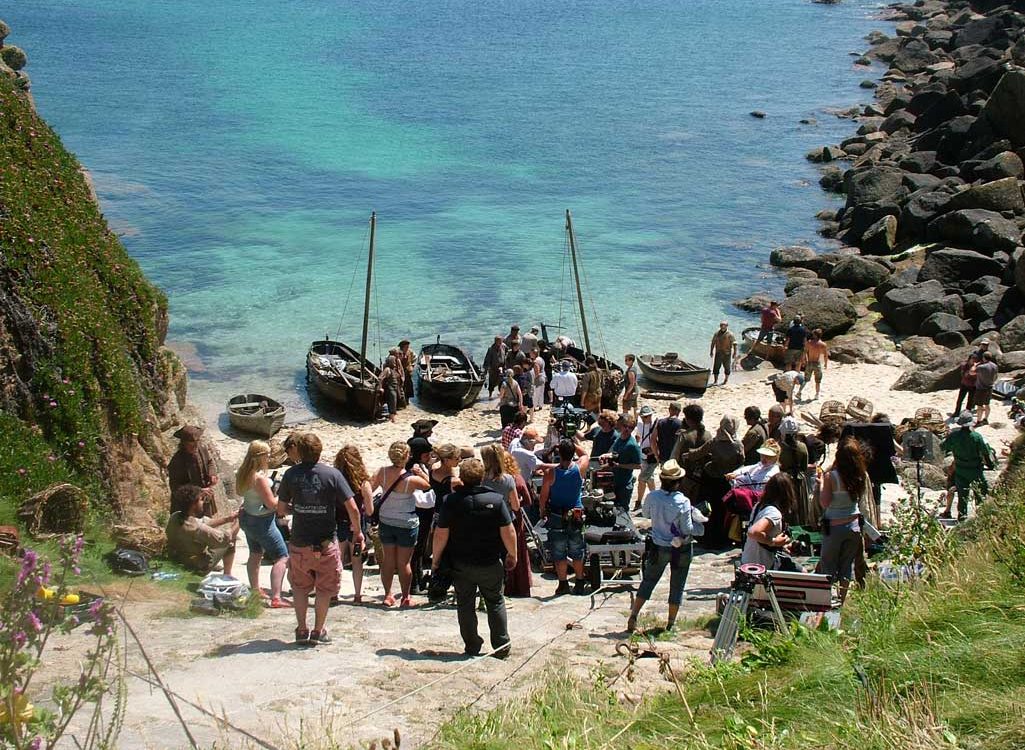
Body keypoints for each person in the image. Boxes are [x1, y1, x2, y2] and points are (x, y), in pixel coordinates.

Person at [277, 432, 363, 645]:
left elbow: (280, 509)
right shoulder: (332, 474)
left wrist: (298, 509)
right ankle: (318, 630)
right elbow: (352, 507)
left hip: (299, 540)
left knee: (299, 587)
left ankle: (301, 628)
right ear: (319, 451)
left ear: (299, 452)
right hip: (326, 541)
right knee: (324, 588)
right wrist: (358, 530)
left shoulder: (290, 474)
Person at [432, 458, 517, 658]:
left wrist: (436, 559)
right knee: (495, 601)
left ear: (461, 477)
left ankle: (472, 645)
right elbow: (508, 531)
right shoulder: (495, 500)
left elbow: (440, 533)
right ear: (481, 477)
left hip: (461, 563)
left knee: (465, 603)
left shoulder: (451, 501)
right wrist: (512, 554)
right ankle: (501, 644)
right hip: (489, 560)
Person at [626, 460, 695, 633]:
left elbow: (647, 514)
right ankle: (671, 623)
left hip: (658, 544)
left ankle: (634, 614)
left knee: (648, 580)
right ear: (678, 482)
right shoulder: (683, 501)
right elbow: (687, 529)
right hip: (680, 547)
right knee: (677, 584)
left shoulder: (652, 497)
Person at [372, 441, 432, 607]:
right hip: (406, 522)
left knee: (388, 560)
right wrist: (420, 472)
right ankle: (405, 597)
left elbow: (368, 487)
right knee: (404, 563)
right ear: (407, 457)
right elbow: (429, 486)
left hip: (386, 520)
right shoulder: (411, 479)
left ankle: (387, 595)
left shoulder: (382, 472)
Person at [235, 441, 290, 608]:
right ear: (260, 457)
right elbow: (273, 504)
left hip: (247, 517)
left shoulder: (243, 473)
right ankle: (276, 596)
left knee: (255, 553)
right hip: (262, 521)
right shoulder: (259, 479)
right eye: (267, 455)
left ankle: (254, 588)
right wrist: (284, 497)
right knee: (282, 557)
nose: (269, 458)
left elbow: (241, 493)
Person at [817, 437, 871, 603]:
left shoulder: (831, 476)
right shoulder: (860, 475)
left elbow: (824, 503)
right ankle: (842, 598)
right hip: (854, 524)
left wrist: (820, 485)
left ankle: (825, 599)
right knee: (846, 565)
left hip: (833, 525)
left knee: (828, 563)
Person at [539, 439, 591, 595]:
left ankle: (563, 583)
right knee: (577, 549)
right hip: (576, 513)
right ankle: (580, 581)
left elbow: (543, 497)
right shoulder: (579, 468)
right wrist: (573, 445)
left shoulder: (551, 473)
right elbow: (585, 454)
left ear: (559, 454)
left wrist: (542, 511)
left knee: (559, 551)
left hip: (556, 515)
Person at [481, 445, 533, 598]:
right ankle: (502, 591)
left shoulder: (481, 479)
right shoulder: (508, 479)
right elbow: (516, 505)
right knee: (506, 557)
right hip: (504, 520)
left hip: (485, 521)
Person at [688, 415, 745, 546]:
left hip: (711, 480)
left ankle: (707, 538)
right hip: (728, 482)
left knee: (708, 509)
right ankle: (724, 538)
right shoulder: (738, 445)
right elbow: (741, 462)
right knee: (724, 511)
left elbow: (697, 453)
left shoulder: (714, 442)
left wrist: (687, 453)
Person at [165, 484, 239, 575]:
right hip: (195, 566)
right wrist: (238, 522)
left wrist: (227, 519)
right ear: (193, 504)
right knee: (230, 541)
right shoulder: (197, 528)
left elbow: (205, 522)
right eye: (201, 500)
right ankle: (227, 574)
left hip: (178, 559)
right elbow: (224, 537)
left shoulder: (175, 516)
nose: (203, 502)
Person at [333, 445, 375, 603]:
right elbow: (370, 510)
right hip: (356, 524)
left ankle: (334, 593)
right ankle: (357, 595)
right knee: (357, 561)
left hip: (338, 522)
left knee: (337, 560)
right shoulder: (363, 483)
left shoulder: (335, 480)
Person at [941, 411, 996, 520]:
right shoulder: (977, 437)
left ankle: (962, 517)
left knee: (962, 495)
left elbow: (943, 446)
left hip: (961, 469)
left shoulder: (954, 436)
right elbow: (985, 453)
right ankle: (981, 517)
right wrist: (990, 465)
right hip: (975, 470)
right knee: (980, 494)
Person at [741, 473, 796, 568]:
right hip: (761, 565)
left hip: (747, 559)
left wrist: (781, 545)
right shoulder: (774, 513)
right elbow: (753, 532)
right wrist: (774, 542)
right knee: (803, 572)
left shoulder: (759, 505)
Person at [167, 425, 219, 499]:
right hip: (188, 503)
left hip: (206, 496)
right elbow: (176, 488)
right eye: (191, 445)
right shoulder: (177, 461)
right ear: (183, 444)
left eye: (196, 443)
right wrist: (199, 491)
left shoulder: (202, 449)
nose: (195, 447)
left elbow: (209, 462)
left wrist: (212, 474)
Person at [604, 413, 643, 510]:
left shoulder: (632, 445)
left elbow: (638, 465)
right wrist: (606, 455)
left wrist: (620, 465)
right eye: (623, 425)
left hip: (624, 485)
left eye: (630, 428)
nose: (627, 429)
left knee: (622, 511)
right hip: (613, 481)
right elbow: (614, 452)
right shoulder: (619, 438)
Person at [671, 403, 713, 489]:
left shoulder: (684, 436)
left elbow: (674, 457)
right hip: (702, 477)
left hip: (685, 476)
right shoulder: (708, 435)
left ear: (688, 420)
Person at [777, 416, 810, 522]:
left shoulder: (779, 448)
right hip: (800, 481)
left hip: (784, 481)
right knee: (801, 508)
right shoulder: (802, 447)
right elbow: (804, 467)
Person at [634, 405, 659, 508]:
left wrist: (654, 451)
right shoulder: (640, 424)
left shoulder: (656, 425)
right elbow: (638, 437)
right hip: (643, 455)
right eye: (642, 416)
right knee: (649, 479)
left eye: (646, 416)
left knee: (642, 479)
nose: (644, 418)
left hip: (653, 457)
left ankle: (639, 501)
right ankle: (655, 501)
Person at [800, 329, 829, 400]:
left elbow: (804, 352)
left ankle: (799, 392)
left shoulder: (809, 343)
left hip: (810, 362)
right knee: (818, 381)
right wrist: (825, 363)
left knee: (805, 379)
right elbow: (825, 355)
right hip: (817, 363)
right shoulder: (823, 344)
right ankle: (817, 394)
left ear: (815, 335)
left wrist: (803, 360)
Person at [974, 351, 998, 426]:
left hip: (981, 389)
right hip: (990, 387)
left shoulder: (981, 367)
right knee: (987, 404)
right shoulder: (994, 366)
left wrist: (975, 365)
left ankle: (978, 421)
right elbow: (996, 376)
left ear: (984, 357)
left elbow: (971, 372)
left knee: (979, 406)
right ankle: (986, 419)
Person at [709, 321, 737, 385]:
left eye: (724, 326)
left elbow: (735, 344)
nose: (723, 327)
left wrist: (734, 353)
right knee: (716, 367)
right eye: (721, 325)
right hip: (718, 353)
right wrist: (711, 351)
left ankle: (725, 380)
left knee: (727, 367)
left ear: (727, 326)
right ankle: (715, 381)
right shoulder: (716, 333)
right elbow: (713, 342)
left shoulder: (730, 334)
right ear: (720, 326)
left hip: (727, 353)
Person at [953, 351, 979, 417]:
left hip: (973, 385)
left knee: (970, 401)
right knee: (960, 400)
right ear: (969, 359)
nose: (973, 361)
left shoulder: (977, 367)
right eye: (972, 359)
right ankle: (957, 412)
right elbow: (965, 375)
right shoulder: (964, 365)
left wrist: (974, 368)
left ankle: (967, 415)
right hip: (964, 384)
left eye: (975, 360)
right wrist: (972, 370)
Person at [379, 355, 401, 422]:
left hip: (395, 388)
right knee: (392, 402)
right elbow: (380, 378)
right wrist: (381, 388)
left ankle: (392, 415)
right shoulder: (387, 369)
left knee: (395, 401)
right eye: (394, 361)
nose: (395, 362)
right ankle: (392, 418)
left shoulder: (393, 369)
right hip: (390, 388)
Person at [397, 340, 415, 404]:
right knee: (401, 387)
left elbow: (414, 358)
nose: (407, 348)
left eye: (408, 346)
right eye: (406, 347)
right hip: (400, 372)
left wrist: (412, 366)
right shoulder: (398, 353)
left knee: (408, 386)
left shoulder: (410, 352)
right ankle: (400, 401)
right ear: (402, 347)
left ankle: (407, 401)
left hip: (408, 372)